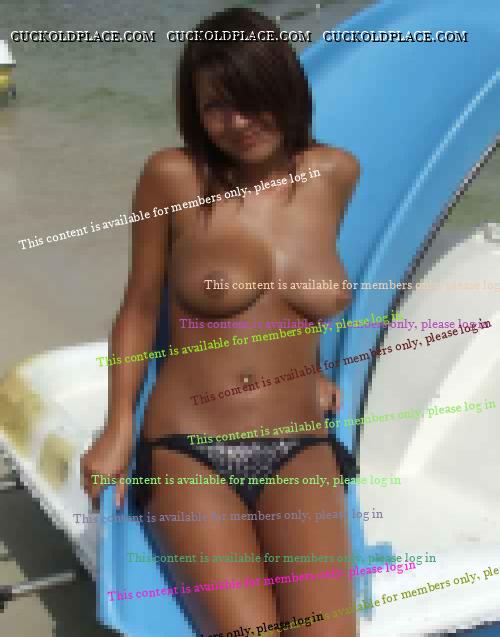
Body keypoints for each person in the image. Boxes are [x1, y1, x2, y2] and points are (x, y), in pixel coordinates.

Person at [82, 8, 360, 636]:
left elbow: (299, 290)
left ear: (286, 89)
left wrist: (313, 366)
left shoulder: (337, 173)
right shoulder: (172, 177)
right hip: (191, 449)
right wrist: (117, 427)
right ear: (195, 111)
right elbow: (139, 308)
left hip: (300, 442)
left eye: (254, 99)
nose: (239, 122)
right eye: (217, 107)